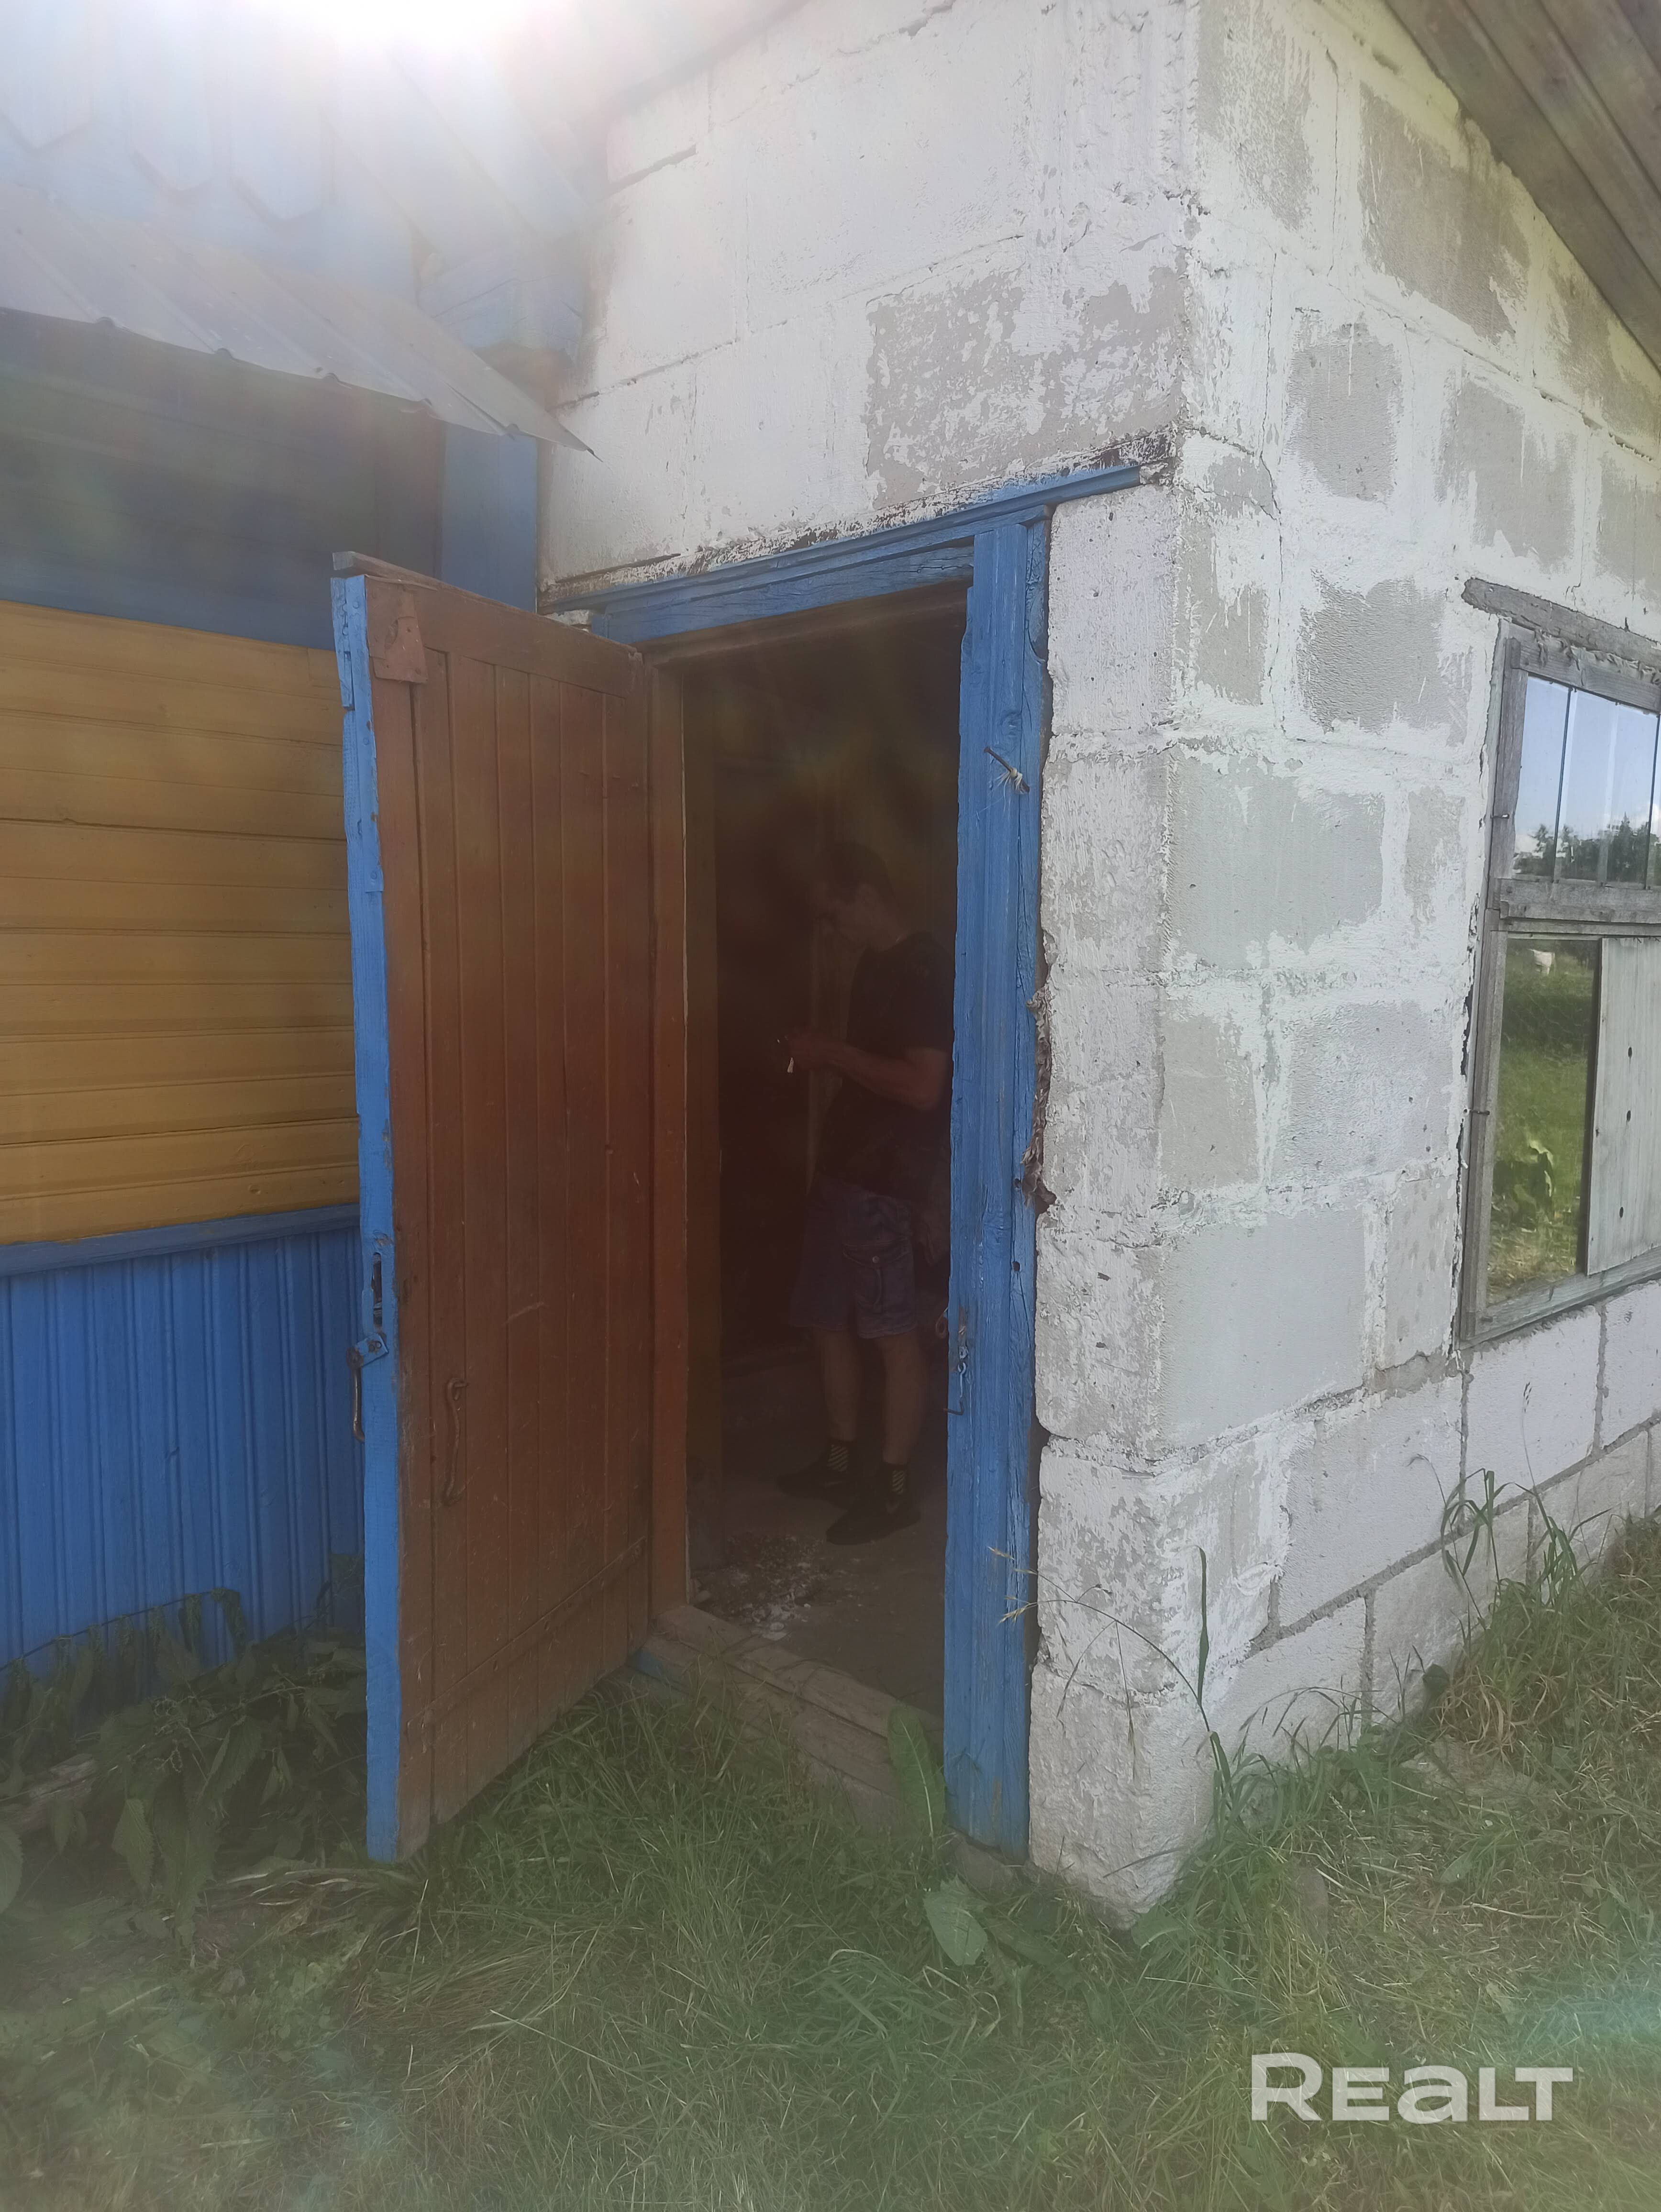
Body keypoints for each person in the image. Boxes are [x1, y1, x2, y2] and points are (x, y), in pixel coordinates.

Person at [780, 841, 952, 1543]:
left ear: (867, 896)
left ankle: (893, 1486)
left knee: (891, 1332)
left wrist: (831, 1053)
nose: (832, 930)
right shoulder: (874, 966)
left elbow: (924, 1087)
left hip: (886, 1183)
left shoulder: (925, 968)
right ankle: (841, 1460)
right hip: (845, 1174)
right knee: (826, 1318)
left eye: (834, 913)